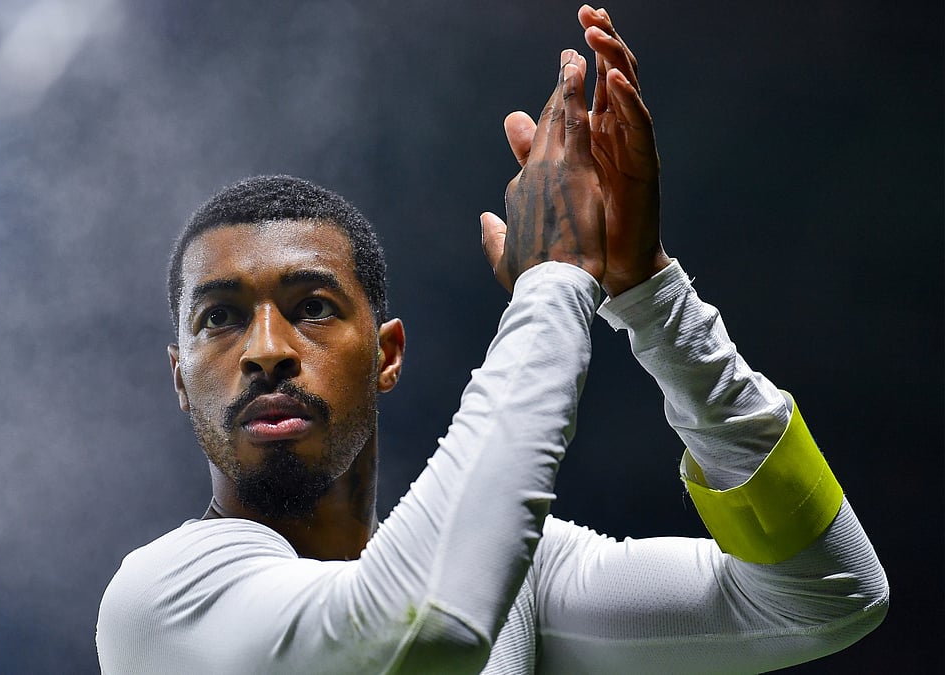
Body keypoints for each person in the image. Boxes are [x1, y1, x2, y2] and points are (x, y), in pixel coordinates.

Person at [96, 5, 888, 673]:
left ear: (388, 355)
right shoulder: (159, 597)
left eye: (312, 307)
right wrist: (553, 283)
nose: (267, 347)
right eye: (220, 317)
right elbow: (421, 625)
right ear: (179, 375)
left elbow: (826, 595)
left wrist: (649, 295)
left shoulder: (513, 573)